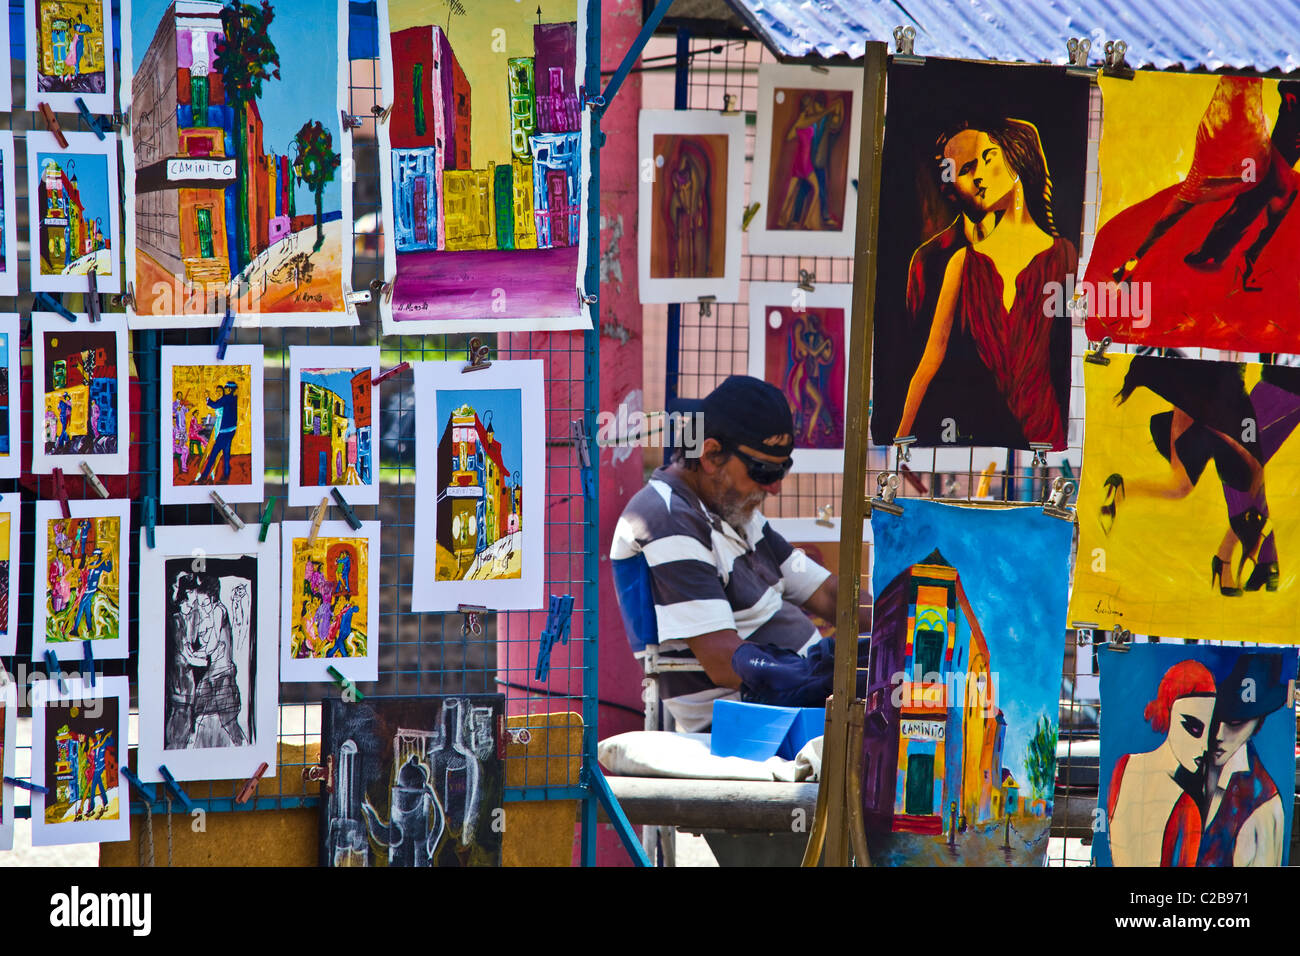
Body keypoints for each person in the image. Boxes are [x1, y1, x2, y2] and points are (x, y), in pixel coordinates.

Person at [610, 376, 869, 732]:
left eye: (783, 469)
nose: (775, 487)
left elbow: (826, 592)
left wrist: (899, 626)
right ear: (712, 454)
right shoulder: (667, 519)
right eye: (764, 471)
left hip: (786, 700)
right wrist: (820, 675)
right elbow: (722, 660)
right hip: (749, 718)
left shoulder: (735, 513)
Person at [894, 118, 1074, 450]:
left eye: (986, 160)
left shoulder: (1064, 257)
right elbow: (928, 359)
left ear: (1018, 160)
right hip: (975, 428)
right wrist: (901, 437)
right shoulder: (953, 262)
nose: (977, 177)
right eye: (965, 170)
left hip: (1045, 430)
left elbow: (1071, 345)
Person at [1111, 77, 1300, 291]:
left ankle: (1141, 259)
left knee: (1266, 193)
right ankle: (1142, 259)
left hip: (1238, 134)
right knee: (1259, 194)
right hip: (1235, 134)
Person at [1107, 659, 1216, 866]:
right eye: (1193, 728)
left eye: (1209, 734)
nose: (1204, 747)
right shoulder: (1187, 808)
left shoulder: (1125, 766)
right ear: (1167, 712)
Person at [1198, 652, 1288, 866]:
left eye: (1235, 723)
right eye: (1214, 719)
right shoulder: (1188, 763)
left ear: (1258, 722)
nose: (1218, 735)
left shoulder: (1262, 804)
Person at [197, 381, 240, 483]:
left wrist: (207, 398)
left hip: (224, 432)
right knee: (226, 453)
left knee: (213, 454)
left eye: (226, 388)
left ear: (229, 389)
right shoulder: (233, 398)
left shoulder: (226, 398)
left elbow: (215, 405)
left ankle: (204, 476)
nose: (225, 390)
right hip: (231, 430)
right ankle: (226, 473)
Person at [69, 547, 111, 639]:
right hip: (84, 589)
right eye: (94, 555)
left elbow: (109, 569)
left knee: (81, 608)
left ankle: (75, 629)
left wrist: (107, 560)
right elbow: (83, 574)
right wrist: (79, 582)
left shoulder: (101, 565)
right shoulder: (90, 564)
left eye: (97, 556)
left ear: (99, 556)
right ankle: (90, 628)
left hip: (91, 589)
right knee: (87, 607)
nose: (95, 557)